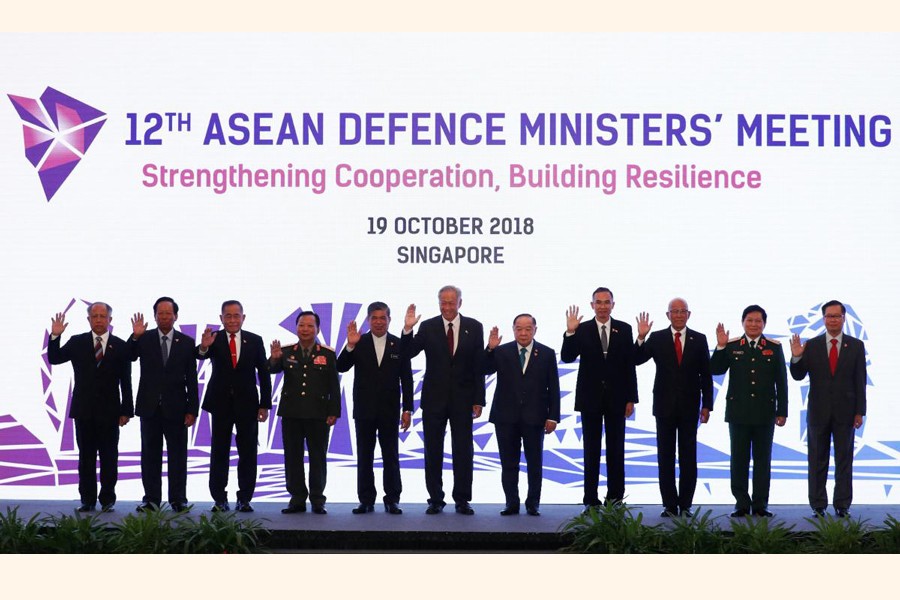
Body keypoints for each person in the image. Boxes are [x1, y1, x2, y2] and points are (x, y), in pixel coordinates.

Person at [401, 285, 485, 515]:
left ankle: (462, 499)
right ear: (439, 303)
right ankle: (435, 499)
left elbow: (479, 366)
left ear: (460, 302)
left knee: (463, 451)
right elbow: (407, 353)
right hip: (433, 399)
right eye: (443, 302)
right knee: (433, 450)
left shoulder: (474, 327)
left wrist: (479, 399)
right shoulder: (427, 327)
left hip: (464, 399)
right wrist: (408, 329)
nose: (447, 307)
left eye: (451, 302)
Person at [47, 302, 133, 512]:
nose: (99, 319)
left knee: (109, 456)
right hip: (84, 410)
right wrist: (55, 337)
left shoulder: (120, 346)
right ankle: (87, 499)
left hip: (111, 412)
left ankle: (107, 499)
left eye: (103, 316)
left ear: (110, 320)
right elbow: (55, 358)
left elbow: (126, 381)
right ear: (89, 320)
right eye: (94, 316)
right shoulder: (77, 342)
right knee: (86, 457)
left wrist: (126, 410)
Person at [634, 298, 713, 518]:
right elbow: (636, 359)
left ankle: (686, 505)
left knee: (689, 456)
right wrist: (641, 337)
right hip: (664, 406)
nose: (678, 315)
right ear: (668, 315)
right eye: (674, 311)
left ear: (689, 314)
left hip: (690, 407)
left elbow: (706, 375)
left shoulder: (699, 339)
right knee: (665, 457)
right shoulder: (657, 337)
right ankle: (669, 505)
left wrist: (707, 405)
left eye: (682, 311)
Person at [561, 287, 638, 509]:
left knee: (616, 450)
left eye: (607, 302)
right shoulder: (581, 329)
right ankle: (590, 500)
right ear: (592, 305)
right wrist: (570, 332)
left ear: (613, 304)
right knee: (591, 451)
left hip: (617, 399)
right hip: (590, 399)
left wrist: (631, 398)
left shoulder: (624, 329)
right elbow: (567, 357)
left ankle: (615, 498)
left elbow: (628, 365)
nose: (603, 306)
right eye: (598, 302)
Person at [789, 300, 866, 518]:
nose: (833, 319)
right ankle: (818, 505)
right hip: (818, 412)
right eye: (829, 316)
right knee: (816, 459)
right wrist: (796, 356)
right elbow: (798, 375)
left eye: (837, 316)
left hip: (847, 412)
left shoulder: (856, 345)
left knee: (844, 459)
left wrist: (860, 411)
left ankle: (842, 505)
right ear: (823, 319)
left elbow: (860, 380)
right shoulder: (811, 345)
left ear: (844, 319)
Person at [710, 304, 787, 518]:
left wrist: (783, 411)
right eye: (749, 320)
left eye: (758, 321)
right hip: (739, 412)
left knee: (763, 460)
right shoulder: (733, 345)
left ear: (764, 324)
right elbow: (715, 369)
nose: (754, 324)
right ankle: (742, 503)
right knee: (739, 459)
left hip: (765, 412)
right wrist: (720, 346)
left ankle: (760, 504)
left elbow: (782, 381)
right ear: (743, 322)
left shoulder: (774, 347)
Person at [336, 302, 413, 515]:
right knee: (365, 456)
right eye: (374, 318)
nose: (379, 322)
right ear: (369, 320)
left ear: (389, 320)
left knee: (391, 456)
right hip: (364, 410)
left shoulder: (399, 345)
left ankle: (392, 500)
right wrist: (350, 345)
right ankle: (366, 500)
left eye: (383, 318)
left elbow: (407, 379)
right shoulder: (358, 342)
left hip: (390, 410)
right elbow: (340, 366)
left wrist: (407, 409)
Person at [197, 300, 271, 513]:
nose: (232, 319)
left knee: (248, 452)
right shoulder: (214, 338)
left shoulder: (255, 340)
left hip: (248, 405)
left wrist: (264, 404)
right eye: (227, 316)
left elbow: (264, 374)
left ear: (243, 317)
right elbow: (199, 354)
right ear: (221, 318)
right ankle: (219, 499)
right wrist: (204, 346)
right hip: (220, 404)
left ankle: (245, 498)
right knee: (219, 452)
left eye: (236, 315)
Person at [485, 314, 560, 516]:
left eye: (528, 328)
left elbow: (553, 386)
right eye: (519, 328)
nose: (523, 332)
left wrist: (553, 416)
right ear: (513, 329)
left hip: (535, 417)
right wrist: (490, 348)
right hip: (505, 417)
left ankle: (533, 503)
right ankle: (512, 503)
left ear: (535, 329)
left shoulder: (546, 353)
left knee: (535, 463)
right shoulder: (501, 351)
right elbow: (485, 369)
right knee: (508, 464)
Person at [129, 297, 199, 513]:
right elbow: (129, 357)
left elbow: (192, 379)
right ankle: (151, 500)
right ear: (155, 316)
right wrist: (134, 337)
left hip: (177, 409)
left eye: (169, 313)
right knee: (150, 455)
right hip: (149, 407)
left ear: (176, 316)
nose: (165, 316)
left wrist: (192, 409)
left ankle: (178, 499)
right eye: (160, 313)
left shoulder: (186, 343)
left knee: (178, 456)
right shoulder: (144, 338)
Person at [270, 311, 341, 515]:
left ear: (317, 329)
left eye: (310, 326)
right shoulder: (285, 351)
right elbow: (271, 370)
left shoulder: (327, 353)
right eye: (302, 325)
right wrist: (274, 360)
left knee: (318, 458)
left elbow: (333, 385)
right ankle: (297, 499)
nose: (305, 329)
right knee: (292, 458)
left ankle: (318, 499)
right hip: (291, 413)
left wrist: (333, 411)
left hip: (318, 414)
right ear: (296, 327)